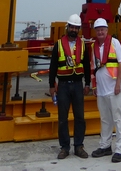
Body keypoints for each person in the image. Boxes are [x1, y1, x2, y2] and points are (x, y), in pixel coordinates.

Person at [49, 14, 91, 160]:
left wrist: (88, 84)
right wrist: (51, 86)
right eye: (71, 27)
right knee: (62, 119)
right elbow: (53, 65)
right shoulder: (59, 44)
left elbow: (86, 65)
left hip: (78, 85)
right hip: (63, 86)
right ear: (68, 27)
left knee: (80, 117)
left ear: (78, 29)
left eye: (76, 27)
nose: (73, 29)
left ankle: (79, 146)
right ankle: (64, 147)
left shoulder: (83, 45)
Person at [90, 17, 121, 164]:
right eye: (98, 30)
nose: (100, 32)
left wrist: (118, 83)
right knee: (105, 119)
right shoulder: (94, 46)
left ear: (107, 30)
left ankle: (120, 149)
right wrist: (94, 86)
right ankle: (105, 146)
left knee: (119, 118)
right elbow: (93, 68)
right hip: (101, 90)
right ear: (96, 31)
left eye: (102, 29)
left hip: (114, 88)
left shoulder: (114, 42)